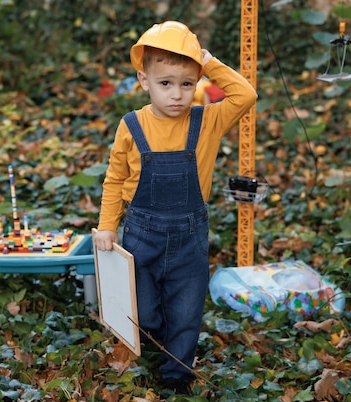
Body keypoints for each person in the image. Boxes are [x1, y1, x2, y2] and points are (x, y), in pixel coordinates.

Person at [93, 20, 257, 394]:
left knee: (186, 308)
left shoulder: (208, 120)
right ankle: (153, 335)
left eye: (187, 84)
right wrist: (107, 225)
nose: (177, 95)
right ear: (143, 80)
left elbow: (245, 96)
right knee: (146, 309)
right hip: (141, 233)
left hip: (189, 235)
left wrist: (208, 62)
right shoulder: (131, 125)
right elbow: (115, 179)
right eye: (165, 83)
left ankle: (177, 374)